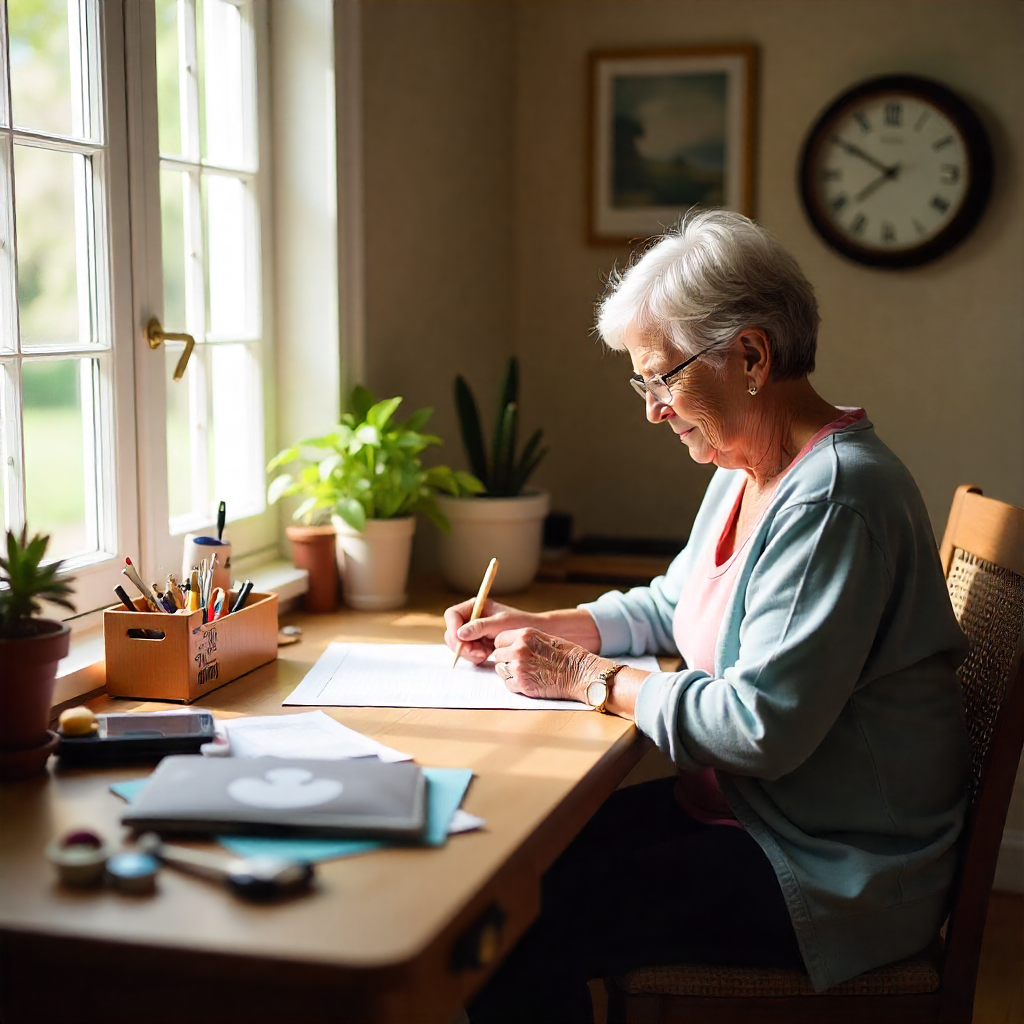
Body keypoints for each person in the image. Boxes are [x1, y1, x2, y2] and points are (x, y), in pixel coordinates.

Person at [444, 209, 970, 1023]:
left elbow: (758, 728)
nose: (652, 409)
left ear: (751, 356)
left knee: (512, 928)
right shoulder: (743, 466)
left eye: (662, 378)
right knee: (503, 872)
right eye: (644, 384)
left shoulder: (835, 497)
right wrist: (548, 628)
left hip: (832, 868)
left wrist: (586, 678)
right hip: (751, 820)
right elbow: (674, 603)